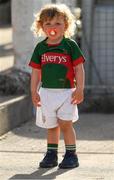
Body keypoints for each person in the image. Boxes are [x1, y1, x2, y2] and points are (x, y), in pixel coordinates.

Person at [29, 3, 85, 169]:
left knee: (66, 124)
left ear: (66, 25)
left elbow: (79, 68)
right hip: (46, 93)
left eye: (58, 23)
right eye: (48, 23)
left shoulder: (70, 45)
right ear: (41, 26)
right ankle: (51, 155)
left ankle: (71, 155)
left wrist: (80, 88)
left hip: (67, 92)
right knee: (51, 126)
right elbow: (36, 72)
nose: (53, 27)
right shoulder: (40, 48)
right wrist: (33, 91)